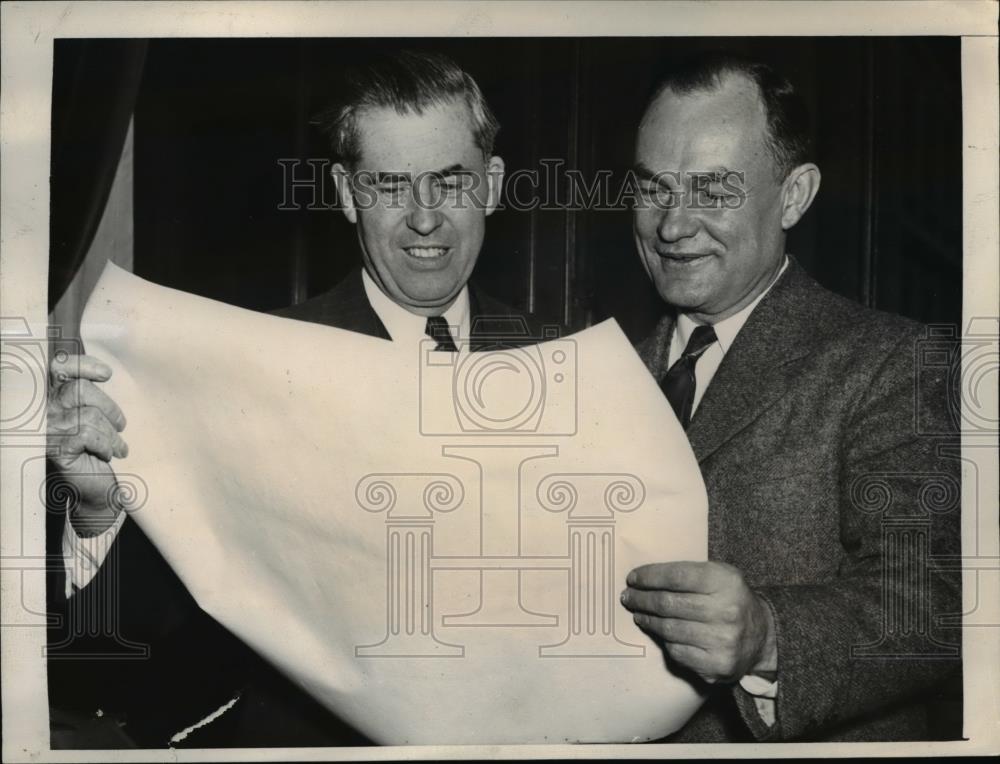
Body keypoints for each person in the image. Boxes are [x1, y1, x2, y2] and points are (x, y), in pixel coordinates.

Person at [46, 49, 556, 748]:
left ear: (492, 184)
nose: (424, 218)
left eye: (449, 182)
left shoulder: (565, 363)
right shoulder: (254, 367)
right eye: (388, 185)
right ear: (347, 197)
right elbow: (119, 649)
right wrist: (100, 510)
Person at [618, 53, 962, 742]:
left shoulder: (892, 362)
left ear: (794, 195)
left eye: (712, 190)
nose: (672, 225)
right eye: (654, 188)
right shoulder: (603, 371)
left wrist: (769, 635)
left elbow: (935, 604)